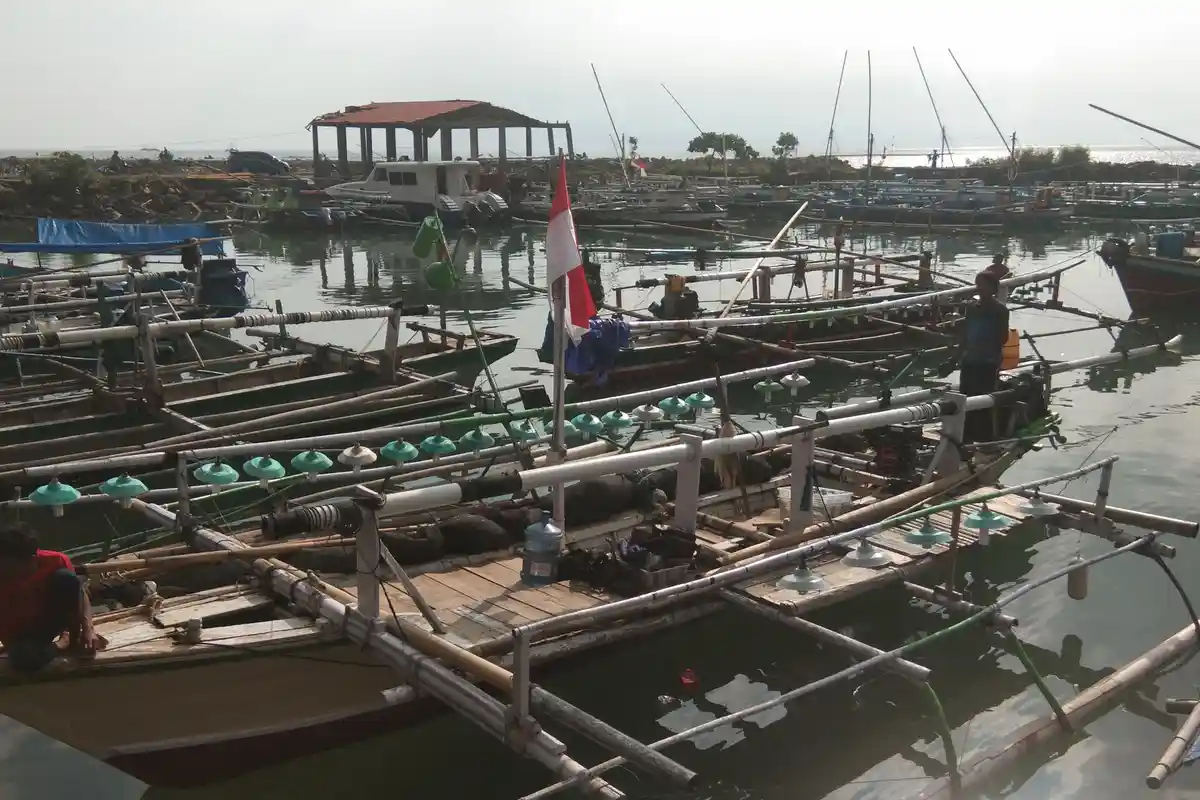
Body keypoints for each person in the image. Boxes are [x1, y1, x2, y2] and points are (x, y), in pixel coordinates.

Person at [0, 523, 103, 673]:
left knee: (67, 578)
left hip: (50, 618)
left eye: (11, 566)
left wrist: (88, 630)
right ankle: (62, 644)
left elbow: (79, 592)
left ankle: (75, 638)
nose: (7, 571)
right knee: (21, 658)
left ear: (32, 558)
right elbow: (8, 641)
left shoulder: (56, 561)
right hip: (21, 631)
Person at [938, 270, 1010, 443]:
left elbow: (1003, 338)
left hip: (987, 362)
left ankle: (985, 439)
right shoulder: (971, 308)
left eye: (983, 285)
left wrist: (983, 346)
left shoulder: (1000, 311)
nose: (979, 288)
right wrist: (953, 360)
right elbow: (965, 337)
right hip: (969, 361)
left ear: (993, 288)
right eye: (978, 284)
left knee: (983, 400)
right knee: (965, 398)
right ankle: (965, 436)